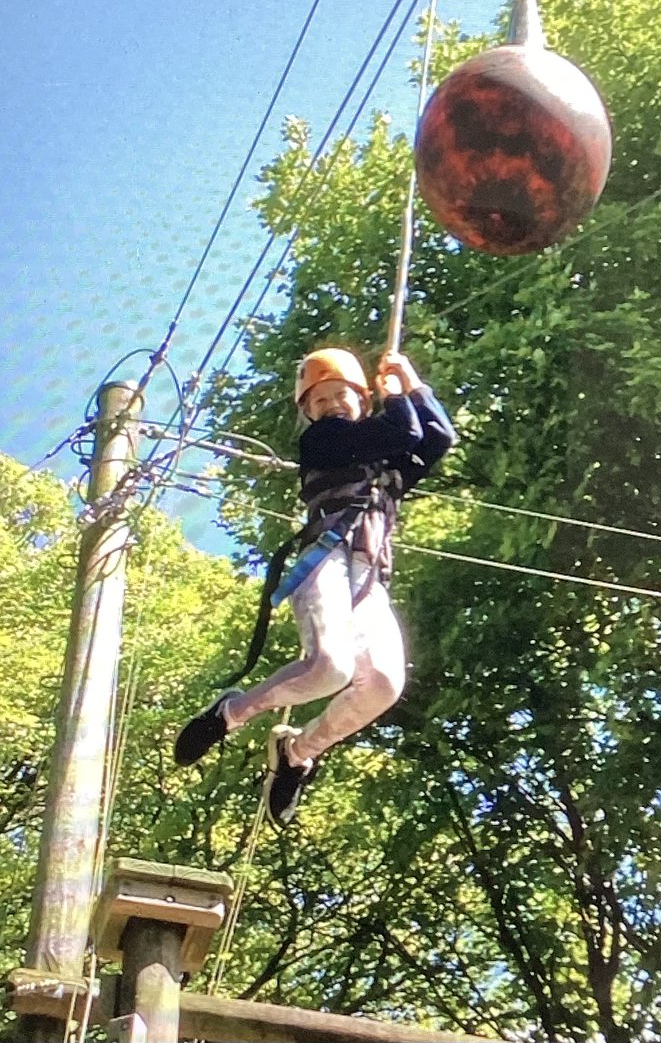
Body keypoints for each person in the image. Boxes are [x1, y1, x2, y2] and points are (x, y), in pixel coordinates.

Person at [174, 346, 456, 827]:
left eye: (340, 395)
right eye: (319, 401)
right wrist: (394, 395)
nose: (330, 406)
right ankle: (230, 713)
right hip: (325, 558)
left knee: (383, 684)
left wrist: (411, 382)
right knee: (329, 666)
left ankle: (297, 753)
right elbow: (405, 432)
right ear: (309, 412)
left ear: (360, 399)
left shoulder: (386, 464)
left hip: (369, 575)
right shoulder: (324, 440)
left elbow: (438, 437)